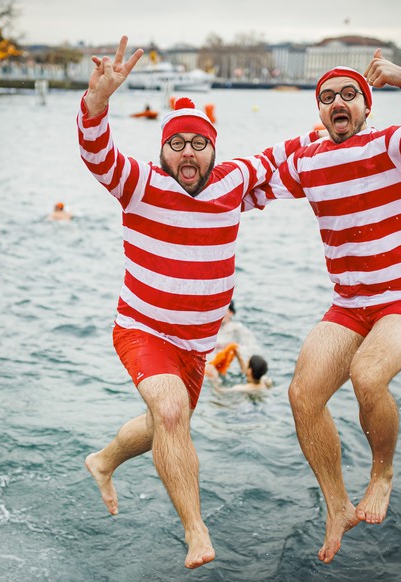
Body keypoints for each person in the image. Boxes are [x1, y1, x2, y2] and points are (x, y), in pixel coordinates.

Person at [78, 36, 318, 569]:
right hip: (141, 328)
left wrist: (340, 118)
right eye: (178, 143)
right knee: (169, 412)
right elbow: (96, 152)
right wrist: (97, 103)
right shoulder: (138, 183)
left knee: (166, 420)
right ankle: (196, 531)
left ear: (213, 149)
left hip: (196, 346)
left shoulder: (233, 181)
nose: (188, 151)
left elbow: (286, 153)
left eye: (198, 143)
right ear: (163, 151)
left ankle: (104, 461)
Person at [252, 50, 401, 562]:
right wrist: (185, 188)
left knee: (369, 376)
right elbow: (249, 192)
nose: (337, 103)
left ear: (367, 107)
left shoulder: (394, 147)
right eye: (327, 98)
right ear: (320, 112)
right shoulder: (310, 160)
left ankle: (382, 474)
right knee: (303, 395)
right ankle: (337, 504)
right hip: (350, 304)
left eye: (349, 95)